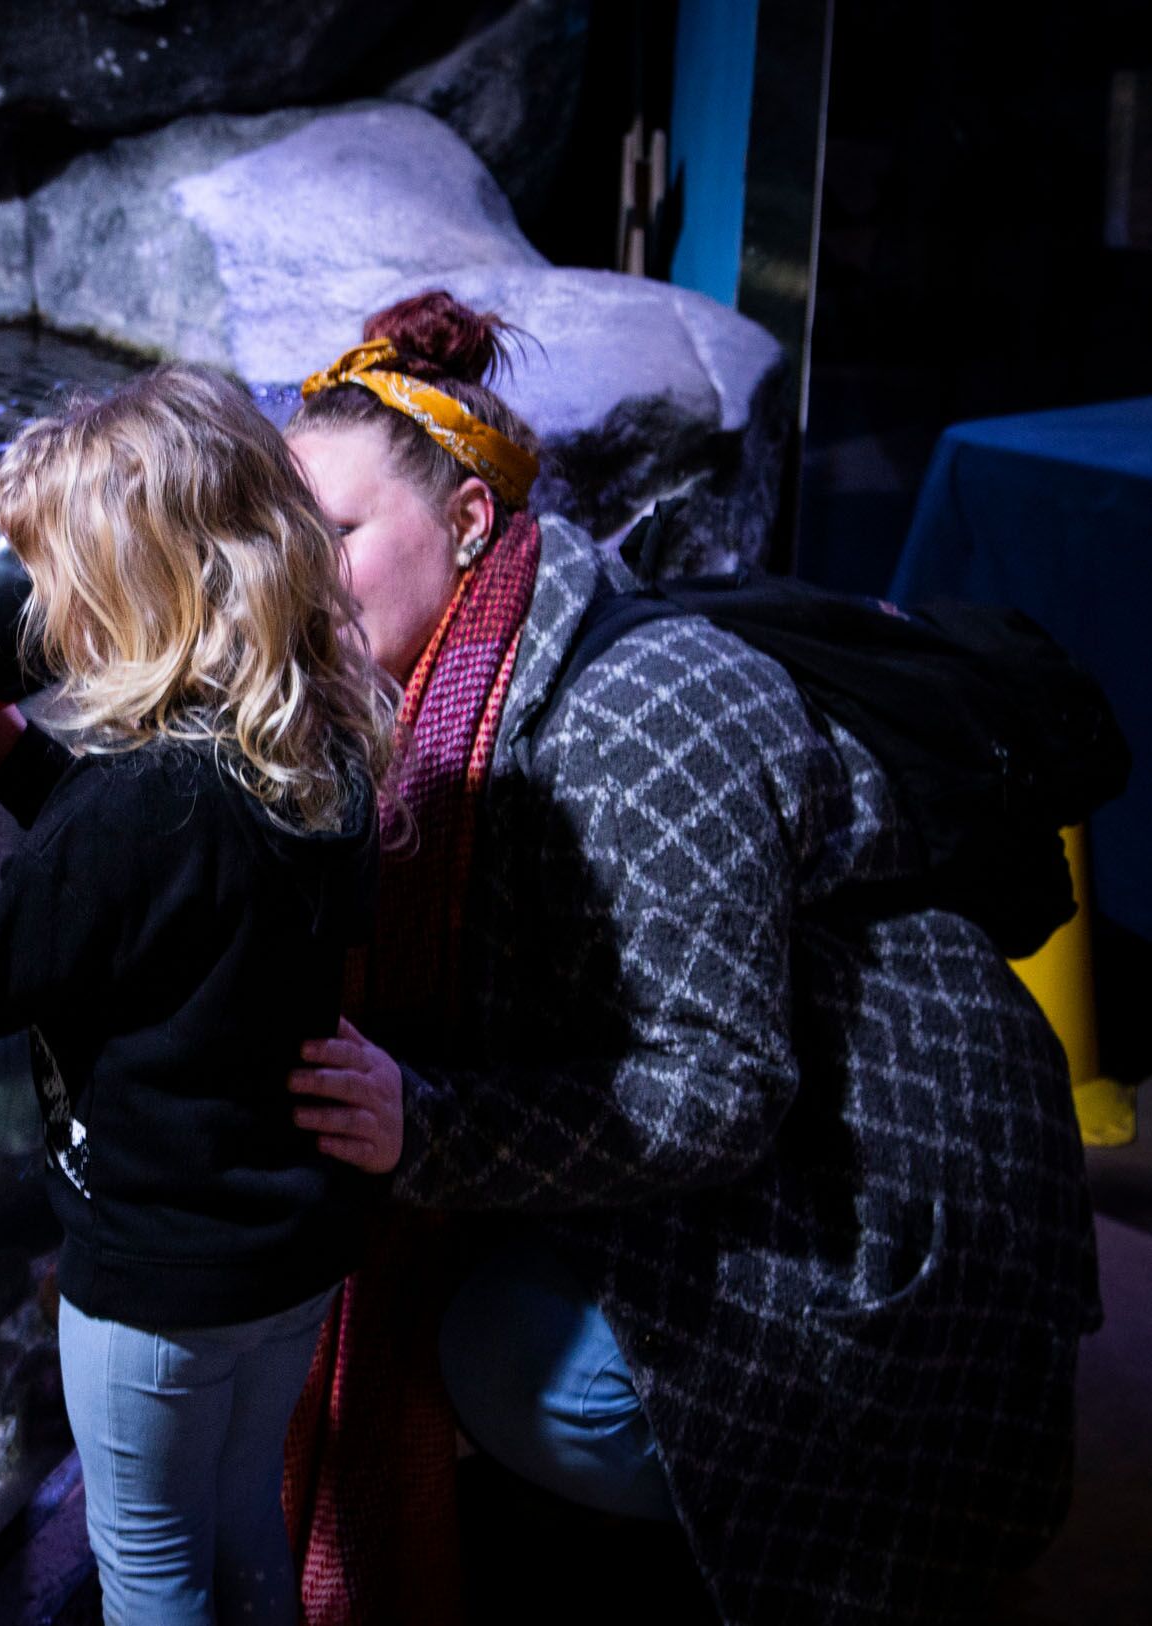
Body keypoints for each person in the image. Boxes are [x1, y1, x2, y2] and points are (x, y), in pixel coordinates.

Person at [279, 290, 1101, 1624]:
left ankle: (828, 1517)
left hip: (883, 1190)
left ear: (470, 523)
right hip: (789, 1136)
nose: (296, 582)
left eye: (336, 537)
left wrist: (425, 1127)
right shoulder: (454, 691)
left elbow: (719, 1087)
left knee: (500, 1359)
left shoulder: (633, 723)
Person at [0, 363, 395, 1625]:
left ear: (135, 590)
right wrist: (7, 754)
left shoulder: (135, 804)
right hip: (291, 1256)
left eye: (62, 577)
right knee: (243, 1521)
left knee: (148, 1563)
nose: (42, 606)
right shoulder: (314, 743)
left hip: (155, 1283)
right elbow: (163, 892)